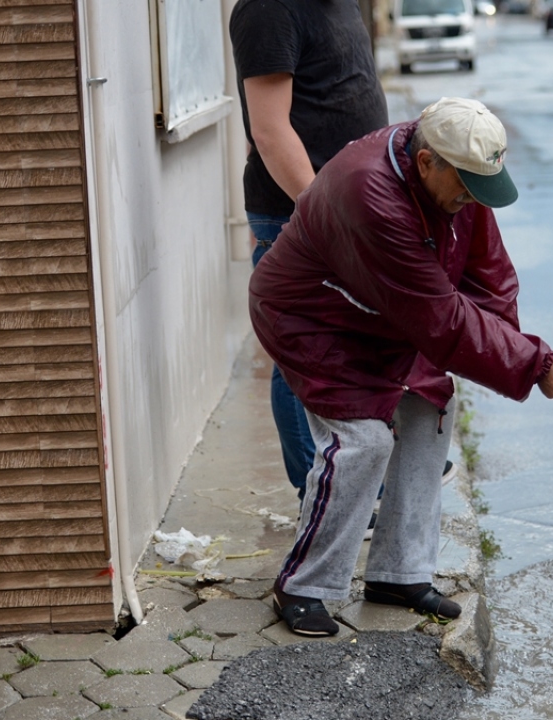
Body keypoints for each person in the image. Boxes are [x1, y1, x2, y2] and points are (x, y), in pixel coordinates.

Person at [250, 98, 553, 636]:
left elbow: (489, 276)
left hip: (388, 313)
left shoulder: (459, 173)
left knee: (433, 407)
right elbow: (441, 320)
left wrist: (521, 350)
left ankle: (398, 574)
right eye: (466, 186)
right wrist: (534, 365)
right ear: (428, 162)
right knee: (364, 441)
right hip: (314, 316)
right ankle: (304, 585)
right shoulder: (370, 193)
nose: (472, 199)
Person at [229, 0, 388, 500]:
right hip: (300, 217)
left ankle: (353, 481)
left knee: (348, 347)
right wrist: (326, 217)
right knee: (301, 355)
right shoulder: (269, 9)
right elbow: (271, 131)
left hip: (348, 211)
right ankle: (318, 490)